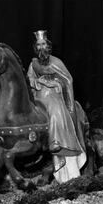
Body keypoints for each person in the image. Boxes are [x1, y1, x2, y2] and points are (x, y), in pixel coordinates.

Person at [28, 30, 86, 183]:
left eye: (43, 44)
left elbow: (67, 79)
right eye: (38, 45)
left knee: (56, 110)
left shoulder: (56, 61)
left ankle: (58, 141)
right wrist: (39, 82)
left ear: (48, 46)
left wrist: (56, 83)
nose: (41, 47)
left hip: (53, 95)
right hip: (37, 95)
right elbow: (29, 79)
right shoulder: (33, 63)